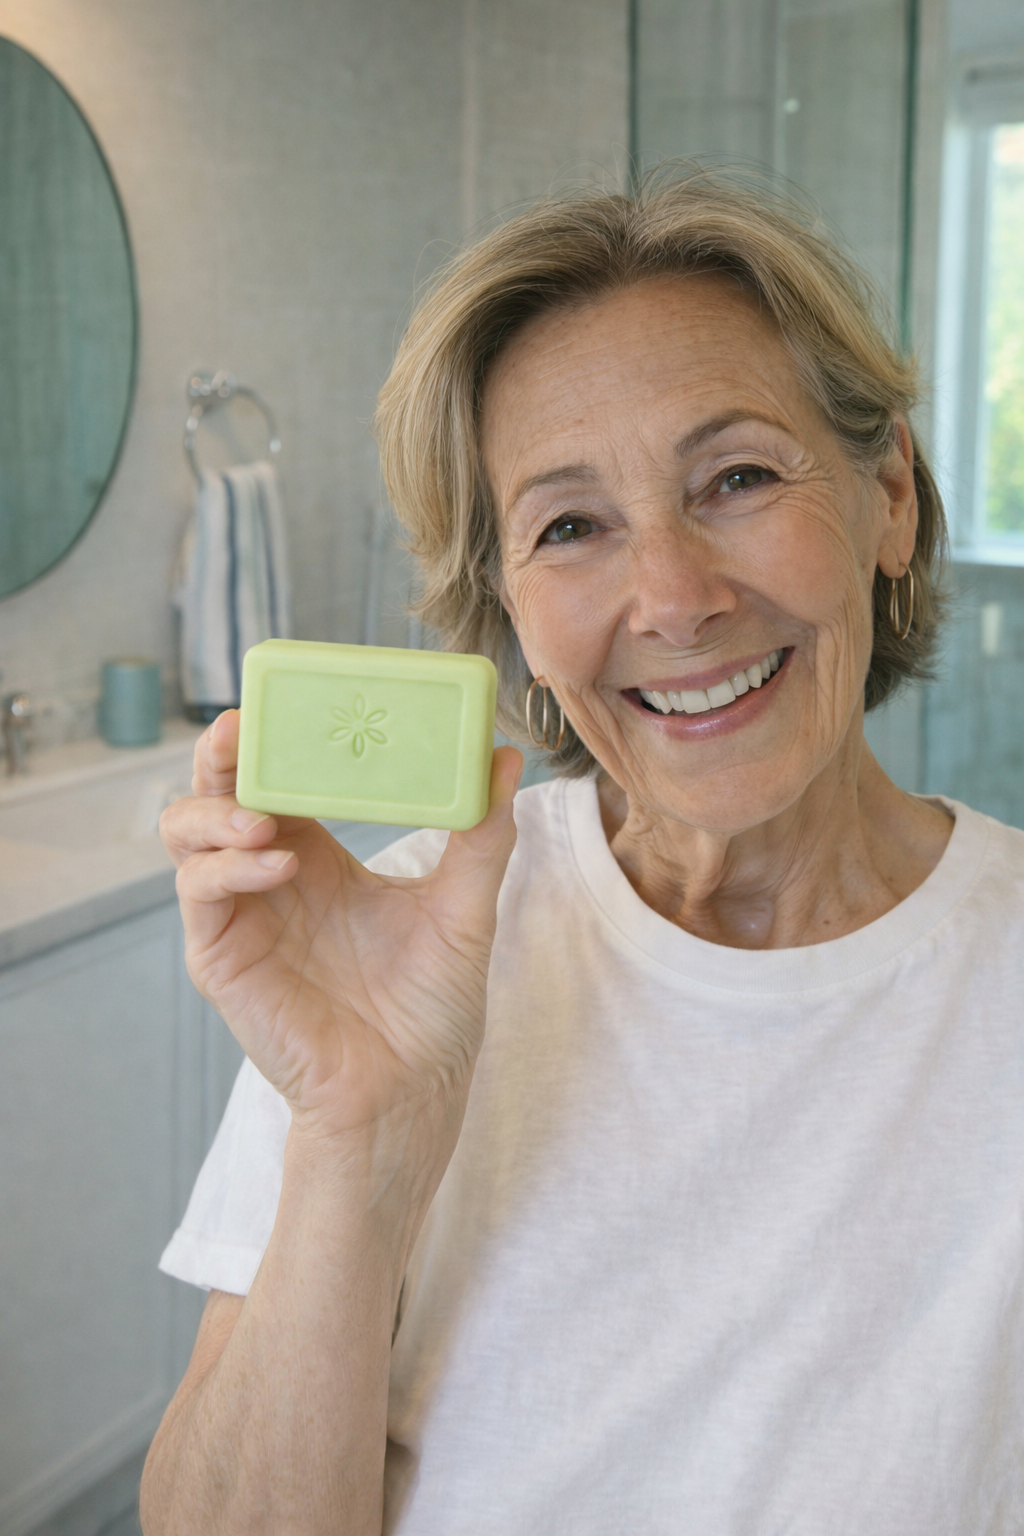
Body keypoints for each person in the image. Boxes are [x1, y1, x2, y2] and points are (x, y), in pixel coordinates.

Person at [141, 168, 1024, 1535]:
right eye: (569, 526)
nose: (672, 599)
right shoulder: (395, 948)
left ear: (890, 494)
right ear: (510, 605)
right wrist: (357, 1136)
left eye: (738, 477)